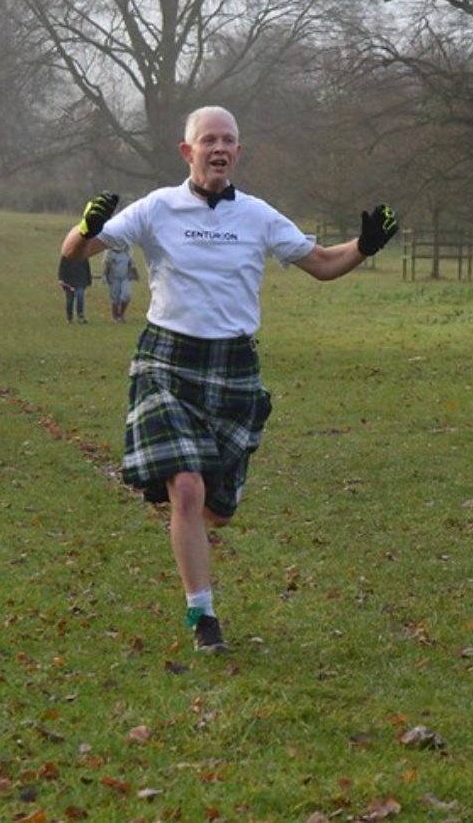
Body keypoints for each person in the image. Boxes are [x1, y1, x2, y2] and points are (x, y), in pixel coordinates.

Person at [61, 105, 398, 654]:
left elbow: (321, 263)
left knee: (216, 508)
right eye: (209, 140)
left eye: (229, 141)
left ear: (238, 152)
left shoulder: (259, 216)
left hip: (233, 366)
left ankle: (177, 501)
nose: (219, 149)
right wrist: (86, 225)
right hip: (166, 359)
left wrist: (364, 246)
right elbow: (74, 253)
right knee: (188, 491)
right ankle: (204, 617)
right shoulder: (156, 209)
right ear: (187, 150)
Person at [102, 243, 138, 322]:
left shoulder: (128, 251)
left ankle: (121, 314)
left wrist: (134, 273)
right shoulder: (109, 252)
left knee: (127, 295)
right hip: (114, 278)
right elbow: (105, 265)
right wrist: (105, 276)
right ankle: (115, 317)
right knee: (115, 298)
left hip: (126, 277)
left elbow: (132, 263)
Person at [58, 254, 92, 323]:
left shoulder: (83, 255)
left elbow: (87, 267)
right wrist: (61, 279)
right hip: (68, 281)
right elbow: (62, 268)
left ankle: (80, 316)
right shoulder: (66, 255)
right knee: (70, 300)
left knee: (80, 297)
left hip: (80, 280)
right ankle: (69, 317)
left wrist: (88, 280)